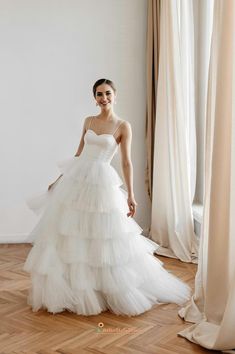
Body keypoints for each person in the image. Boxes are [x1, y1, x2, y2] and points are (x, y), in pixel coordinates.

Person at [23, 78, 191, 316]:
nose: (104, 98)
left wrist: (131, 195)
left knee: (103, 237)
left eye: (108, 94)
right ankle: (78, 288)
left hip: (102, 182)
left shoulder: (123, 126)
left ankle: (106, 289)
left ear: (115, 95)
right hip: (77, 180)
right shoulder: (89, 121)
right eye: (99, 94)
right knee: (72, 235)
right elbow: (79, 154)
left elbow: (126, 162)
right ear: (94, 97)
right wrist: (58, 180)